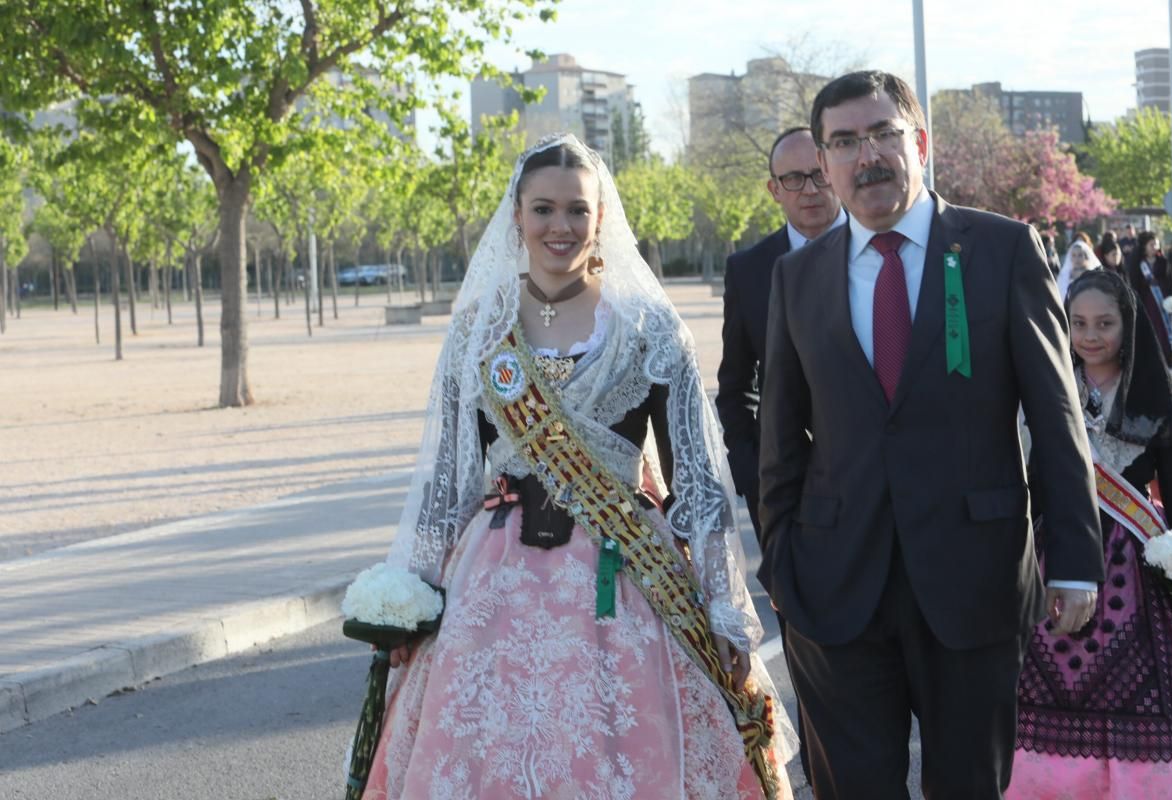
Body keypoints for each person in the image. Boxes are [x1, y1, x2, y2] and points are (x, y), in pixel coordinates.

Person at [361, 133, 796, 800]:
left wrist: (723, 605)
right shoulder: (479, 329)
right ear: (517, 216)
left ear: (602, 219)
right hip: (493, 587)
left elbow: (699, 486)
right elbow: (446, 484)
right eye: (543, 209)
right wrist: (413, 596)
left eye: (576, 210)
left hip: (626, 580)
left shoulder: (649, 325)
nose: (559, 227)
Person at [757, 70, 1104, 799]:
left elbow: (1054, 413)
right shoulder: (796, 277)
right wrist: (780, 564)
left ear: (920, 142)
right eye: (845, 141)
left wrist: (1072, 557)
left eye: (884, 133)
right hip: (834, 589)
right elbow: (780, 441)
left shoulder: (1001, 249)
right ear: (823, 163)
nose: (868, 155)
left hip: (972, 581)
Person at [1011, 268, 1172, 798]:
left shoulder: (1152, 396)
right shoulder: (1053, 386)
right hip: (1059, 557)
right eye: (1079, 323)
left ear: (1128, 325)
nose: (1091, 335)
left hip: (1135, 565)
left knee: (1142, 691)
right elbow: (1036, 478)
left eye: (1105, 323)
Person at [716, 126, 846, 541]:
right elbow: (736, 383)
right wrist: (751, 472)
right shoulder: (749, 270)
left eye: (819, 174)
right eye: (793, 179)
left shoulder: (882, 253)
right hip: (783, 490)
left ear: (835, 173)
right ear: (774, 189)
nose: (808, 189)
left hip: (874, 480)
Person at [1128, 230, 1172, 367]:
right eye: (1151, 244)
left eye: (1156, 244)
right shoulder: (1138, 264)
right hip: (1147, 301)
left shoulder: (1163, 262)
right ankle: (1152, 359)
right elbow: (1134, 284)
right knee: (1152, 329)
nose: (1155, 247)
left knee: (1165, 329)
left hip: (1162, 300)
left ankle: (1168, 356)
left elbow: (1170, 282)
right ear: (1144, 246)